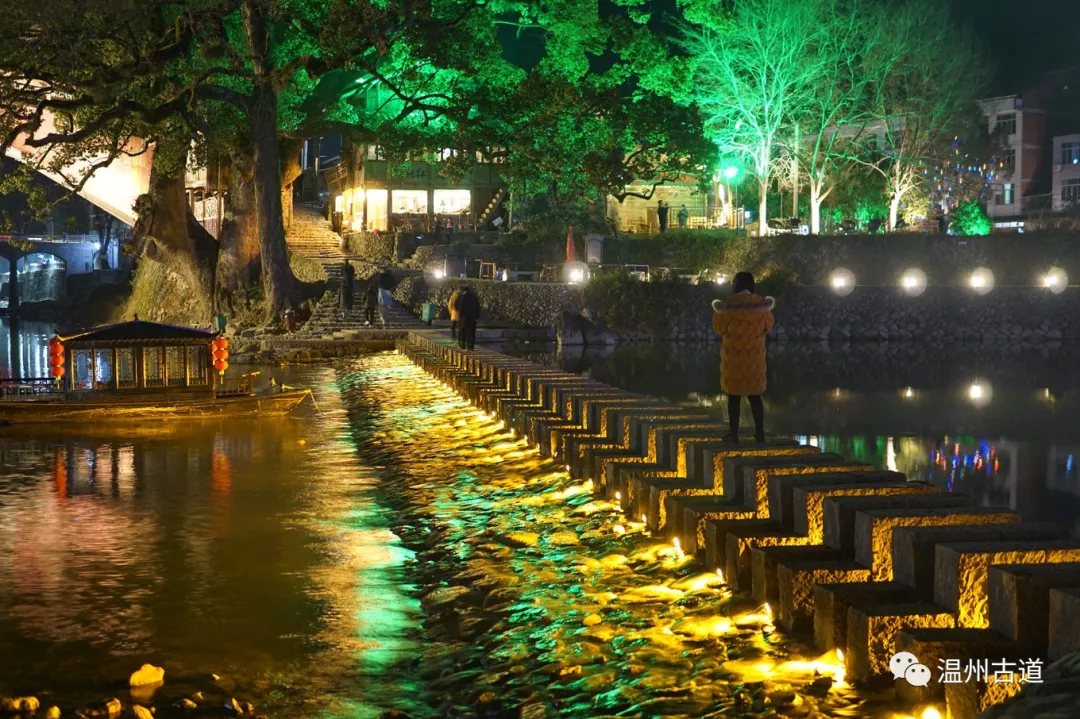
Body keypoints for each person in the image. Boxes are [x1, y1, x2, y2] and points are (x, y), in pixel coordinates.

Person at [711, 272, 775, 443]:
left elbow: (718, 327)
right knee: (755, 397)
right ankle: (760, 434)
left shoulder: (727, 307)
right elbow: (768, 326)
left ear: (735, 284)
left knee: (733, 398)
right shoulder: (762, 307)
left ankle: (734, 435)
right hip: (754, 361)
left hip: (733, 360)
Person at [454, 285, 481, 351]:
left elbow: (457, 306)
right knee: (471, 332)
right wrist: (477, 316)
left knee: (462, 331)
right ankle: (471, 346)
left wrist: (461, 313)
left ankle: (462, 345)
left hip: (464, 317)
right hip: (473, 317)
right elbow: (478, 307)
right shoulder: (475, 298)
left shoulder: (461, 297)